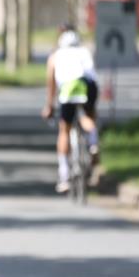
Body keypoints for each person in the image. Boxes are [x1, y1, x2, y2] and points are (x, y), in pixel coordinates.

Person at [42, 25, 100, 193]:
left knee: (64, 129)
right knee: (87, 115)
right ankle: (93, 141)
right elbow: (92, 74)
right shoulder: (85, 51)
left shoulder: (55, 56)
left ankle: (64, 174)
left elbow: (51, 84)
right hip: (88, 85)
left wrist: (49, 106)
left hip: (68, 88)